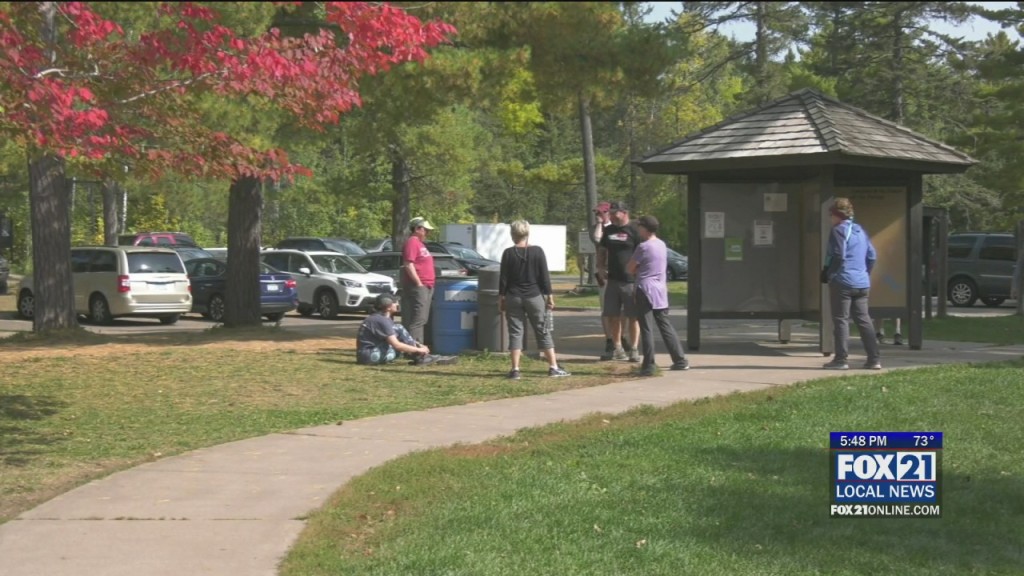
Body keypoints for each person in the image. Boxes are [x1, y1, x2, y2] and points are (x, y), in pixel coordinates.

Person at [499, 220, 571, 379]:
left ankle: (515, 369)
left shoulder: (508, 253)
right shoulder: (537, 251)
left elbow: (503, 279)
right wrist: (549, 296)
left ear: (513, 234)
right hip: (534, 296)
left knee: (515, 332)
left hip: (513, 296)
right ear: (527, 233)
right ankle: (553, 366)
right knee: (542, 330)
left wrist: (502, 298)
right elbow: (544, 276)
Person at [823, 197, 881, 370]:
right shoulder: (859, 230)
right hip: (862, 282)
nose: (830, 219)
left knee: (841, 319)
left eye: (831, 215)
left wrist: (830, 274)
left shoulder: (838, 230)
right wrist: (864, 273)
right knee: (864, 320)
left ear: (836, 215)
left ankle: (841, 360)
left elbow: (838, 255)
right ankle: (874, 359)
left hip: (843, 281)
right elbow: (872, 256)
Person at [628, 215, 689, 376]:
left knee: (646, 327)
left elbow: (630, 268)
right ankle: (680, 360)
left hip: (645, 289)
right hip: (660, 290)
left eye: (639, 226)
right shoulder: (662, 245)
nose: (638, 229)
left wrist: (639, 269)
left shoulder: (643, 247)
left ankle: (648, 365)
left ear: (645, 228)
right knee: (665, 325)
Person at [356, 294, 457, 366]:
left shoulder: (379, 318)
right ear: (388, 307)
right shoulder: (381, 321)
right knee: (400, 344)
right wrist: (418, 349)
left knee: (398, 329)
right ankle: (421, 357)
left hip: (366, 355)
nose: (397, 304)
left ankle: (422, 357)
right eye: (395, 303)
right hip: (370, 356)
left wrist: (418, 344)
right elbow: (397, 345)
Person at [596, 200, 641, 362]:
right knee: (612, 315)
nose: (612, 216)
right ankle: (617, 348)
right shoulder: (608, 231)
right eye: (611, 213)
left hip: (630, 281)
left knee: (633, 316)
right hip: (613, 280)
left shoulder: (635, 231)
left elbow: (642, 254)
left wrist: (639, 276)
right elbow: (602, 250)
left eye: (615, 213)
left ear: (624, 212)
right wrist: (600, 267)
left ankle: (634, 349)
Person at [400, 216, 436, 344]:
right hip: (419, 287)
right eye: (426, 230)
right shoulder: (412, 242)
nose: (428, 232)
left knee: (422, 319)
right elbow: (408, 264)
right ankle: (416, 350)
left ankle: (419, 347)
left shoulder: (420, 244)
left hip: (427, 286)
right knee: (418, 320)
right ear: (417, 229)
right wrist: (418, 283)